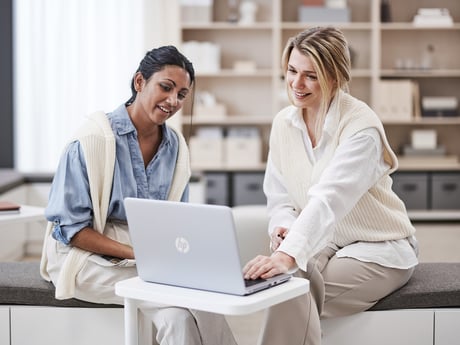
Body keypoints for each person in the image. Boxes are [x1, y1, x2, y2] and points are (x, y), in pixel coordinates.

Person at [40, 45, 237, 345]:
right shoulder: (91, 140)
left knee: (179, 316)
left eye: (182, 94)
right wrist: (139, 255)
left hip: (149, 256)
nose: (173, 101)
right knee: (191, 297)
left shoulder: (176, 148)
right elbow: (70, 229)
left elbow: (175, 221)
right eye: (166, 87)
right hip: (86, 257)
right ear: (139, 82)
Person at [243, 26, 419, 345]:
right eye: (292, 71)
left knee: (291, 289)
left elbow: (328, 199)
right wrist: (284, 229)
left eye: (311, 76)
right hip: (324, 243)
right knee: (291, 282)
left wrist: (286, 256)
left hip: (378, 247)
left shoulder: (360, 128)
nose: (297, 84)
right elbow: (280, 197)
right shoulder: (284, 123)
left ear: (335, 77)